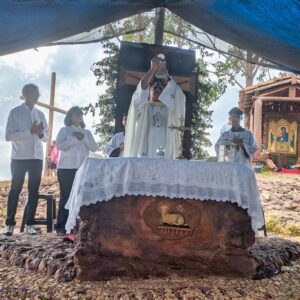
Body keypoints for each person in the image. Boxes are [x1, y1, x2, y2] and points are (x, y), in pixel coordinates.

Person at [4, 84, 49, 236]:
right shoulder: (15, 113)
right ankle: (9, 224)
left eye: (37, 93)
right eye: (34, 93)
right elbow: (8, 135)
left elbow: (46, 137)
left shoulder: (41, 114)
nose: (37, 96)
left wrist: (41, 133)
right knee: (15, 189)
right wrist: (29, 132)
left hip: (36, 158)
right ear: (25, 94)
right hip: (19, 157)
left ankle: (30, 224)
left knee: (34, 191)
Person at [124, 56, 186, 159]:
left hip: (166, 157)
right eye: (154, 88)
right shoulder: (143, 107)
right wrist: (152, 69)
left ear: (165, 93)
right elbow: (142, 89)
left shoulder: (170, 108)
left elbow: (180, 96)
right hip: (145, 155)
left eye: (160, 88)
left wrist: (166, 76)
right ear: (149, 94)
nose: (157, 89)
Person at [55, 106, 97, 235]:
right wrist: (74, 139)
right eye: (75, 113)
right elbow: (59, 145)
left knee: (81, 197)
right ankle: (61, 227)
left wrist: (83, 138)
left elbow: (94, 148)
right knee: (66, 196)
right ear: (70, 116)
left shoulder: (87, 132)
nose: (79, 116)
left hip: (83, 169)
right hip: (66, 168)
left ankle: (78, 226)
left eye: (80, 114)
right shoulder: (64, 130)